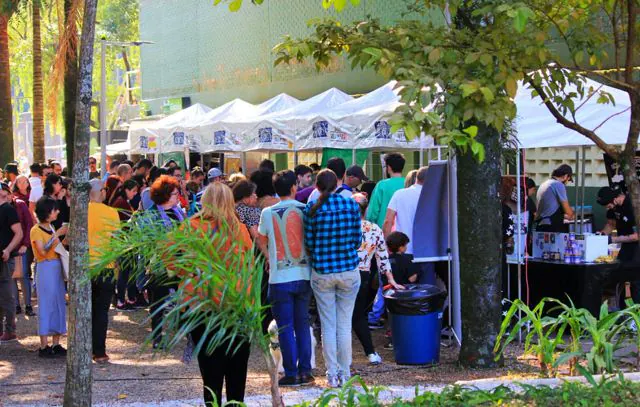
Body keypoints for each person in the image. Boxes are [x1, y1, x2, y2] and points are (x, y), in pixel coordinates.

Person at [180, 182, 253, 405]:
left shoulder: (190, 227)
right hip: (237, 307)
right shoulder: (239, 229)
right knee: (237, 374)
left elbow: (172, 264)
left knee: (210, 375)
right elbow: (248, 265)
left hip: (202, 307)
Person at [303, 169, 361, 388]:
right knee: (344, 325)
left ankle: (332, 374)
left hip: (322, 271)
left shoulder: (312, 208)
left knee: (328, 325)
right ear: (338, 183)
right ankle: (345, 374)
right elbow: (357, 240)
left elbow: (308, 242)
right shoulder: (351, 205)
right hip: (348, 270)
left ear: (316, 187)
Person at [257, 170, 314, 387]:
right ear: (294, 188)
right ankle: (305, 371)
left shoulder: (268, 212)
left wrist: (268, 256)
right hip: (304, 274)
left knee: (285, 327)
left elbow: (260, 239)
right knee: (302, 323)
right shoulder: (305, 209)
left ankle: (291, 372)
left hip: (279, 277)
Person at [351, 193, 402, 365]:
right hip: (363, 275)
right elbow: (382, 258)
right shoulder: (374, 229)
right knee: (358, 316)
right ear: (365, 209)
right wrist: (390, 278)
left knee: (339, 316)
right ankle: (370, 353)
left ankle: (339, 358)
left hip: (342, 272)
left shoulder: (343, 226)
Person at [146, 175, 186, 347]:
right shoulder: (152, 214)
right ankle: (157, 337)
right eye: (175, 193)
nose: (178, 196)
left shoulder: (179, 212)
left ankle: (184, 331)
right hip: (160, 264)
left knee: (184, 296)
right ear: (165, 195)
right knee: (158, 302)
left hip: (180, 262)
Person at [86, 179, 121, 362]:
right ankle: (99, 351)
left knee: (86, 310)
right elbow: (116, 240)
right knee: (101, 311)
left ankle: (84, 347)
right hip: (105, 266)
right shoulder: (111, 213)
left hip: (85, 266)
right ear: (101, 192)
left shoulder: (81, 211)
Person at [30, 196, 67, 356]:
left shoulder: (51, 227)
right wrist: (56, 235)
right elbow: (42, 252)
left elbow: (58, 247)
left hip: (56, 267)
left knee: (59, 302)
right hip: (45, 268)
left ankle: (56, 342)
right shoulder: (36, 230)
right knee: (46, 304)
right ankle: (44, 345)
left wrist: (65, 236)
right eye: (54, 209)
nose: (57, 212)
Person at [596, 187, 640, 301]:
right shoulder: (613, 209)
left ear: (614, 199)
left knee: (635, 279)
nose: (607, 207)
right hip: (625, 248)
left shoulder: (632, 206)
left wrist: (613, 239)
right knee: (619, 276)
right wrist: (601, 235)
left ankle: (636, 310)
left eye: (607, 204)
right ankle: (621, 309)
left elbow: (636, 236)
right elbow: (611, 224)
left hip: (636, 248)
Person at [0, 182, 23, 343]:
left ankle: (10, 329)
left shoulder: (8, 209)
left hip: (5, 259)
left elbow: (19, 233)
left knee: (7, 295)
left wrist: (8, 250)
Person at [11, 188, 34, 317]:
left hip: (21, 247)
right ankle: (16, 305)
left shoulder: (20, 204)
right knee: (12, 277)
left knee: (24, 275)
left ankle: (28, 305)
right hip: (8, 247)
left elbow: (29, 223)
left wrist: (25, 244)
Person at [366, 152, 406, 228]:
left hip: (383, 230)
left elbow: (373, 212)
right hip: (404, 230)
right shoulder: (408, 184)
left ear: (389, 167)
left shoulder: (381, 185)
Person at [535, 164, 575, 232]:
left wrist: (564, 216)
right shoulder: (558, 185)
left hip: (540, 225)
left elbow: (548, 209)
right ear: (565, 176)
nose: (567, 183)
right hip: (551, 226)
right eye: (568, 180)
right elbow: (568, 211)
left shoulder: (544, 183)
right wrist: (573, 215)